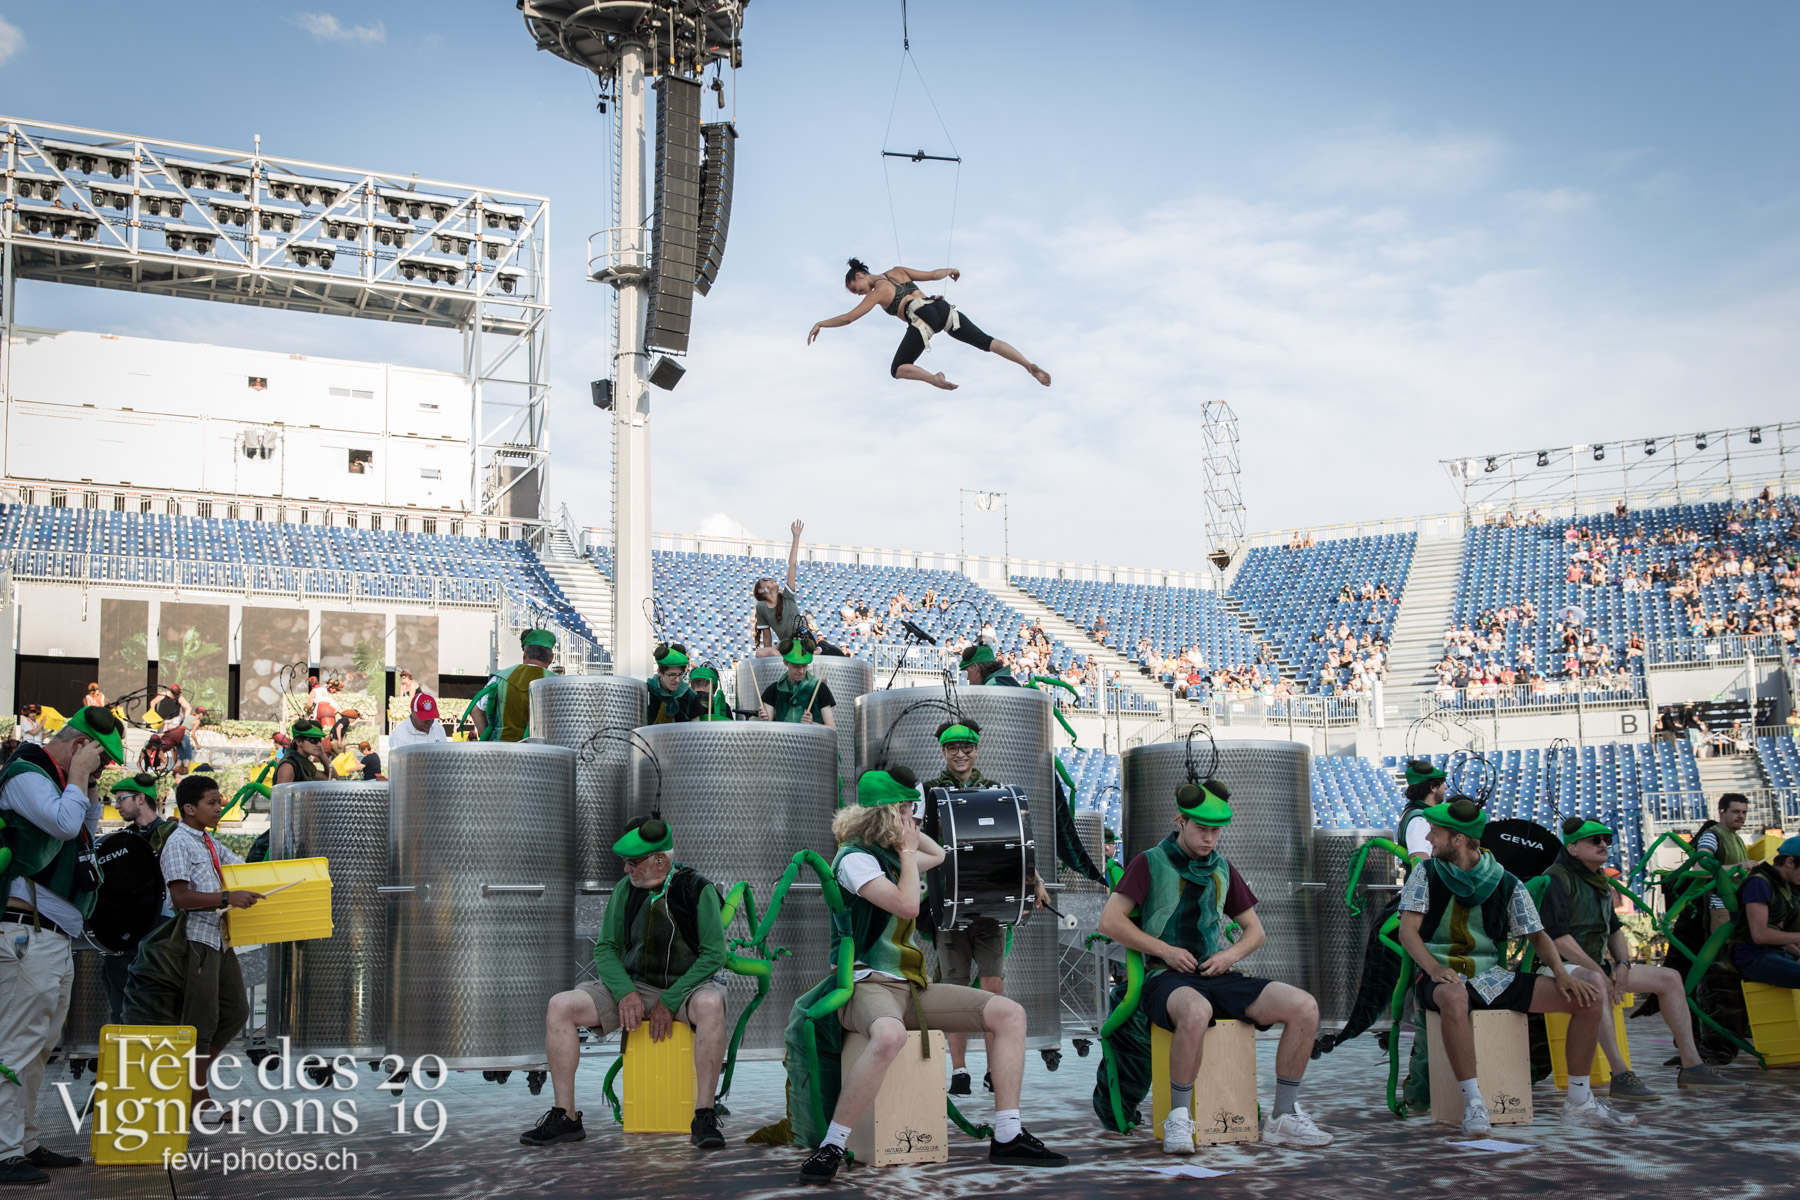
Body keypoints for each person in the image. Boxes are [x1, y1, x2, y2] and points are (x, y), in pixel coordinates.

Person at [794, 768, 1068, 1183]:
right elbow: (907, 906)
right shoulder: (854, 860)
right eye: (909, 814)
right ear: (888, 815)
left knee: (1009, 1014)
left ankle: (1008, 1134)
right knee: (889, 1036)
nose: (915, 823)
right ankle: (833, 1144)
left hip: (909, 987)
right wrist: (905, 849)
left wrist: (907, 832)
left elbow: (938, 855)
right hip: (865, 985)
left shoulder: (887, 854)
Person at [1098, 779, 1335, 1151]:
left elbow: (1255, 932)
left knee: (1304, 1006)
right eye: (1202, 829)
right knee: (1196, 1010)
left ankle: (1283, 1117)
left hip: (1215, 973)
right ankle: (1178, 1118)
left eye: (1216, 831)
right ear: (1181, 821)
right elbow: (1110, 921)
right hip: (1164, 977)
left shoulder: (1223, 867)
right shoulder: (1149, 861)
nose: (1209, 838)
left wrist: (1229, 955)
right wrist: (1166, 950)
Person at [1395, 796, 1635, 1135]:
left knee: (1590, 998)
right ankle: (1474, 1102)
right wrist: (1433, 969)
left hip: (1490, 977)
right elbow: (1408, 932)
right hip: (1441, 975)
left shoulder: (1504, 880)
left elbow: (1538, 936)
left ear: (1458, 840)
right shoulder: (1426, 872)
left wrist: (1563, 975)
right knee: (1454, 995)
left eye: (1434, 833)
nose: (1428, 839)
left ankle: (1579, 1101)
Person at [522, 815, 731, 1151]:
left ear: (660, 860)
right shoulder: (625, 890)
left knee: (711, 1005)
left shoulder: (698, 888)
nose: (626, 871)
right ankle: (566, 1116)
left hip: (688, 987)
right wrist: (625, 993)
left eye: (633, 863)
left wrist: (671, 1000)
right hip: (634, 985)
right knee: (561, 1005)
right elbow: (606, 948)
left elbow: (712, 956)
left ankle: (703, 1115)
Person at [0, 705, 123, 1184]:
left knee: (39, 1046)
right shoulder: (29, 774)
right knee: (17, 1044)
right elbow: (65, 826)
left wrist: (86, 786)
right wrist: (76, 773)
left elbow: (85, 826)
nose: (100, 770)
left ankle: (24, 1142)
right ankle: (5, 1150)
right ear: (77, 746)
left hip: (51, 939)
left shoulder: (60, 781)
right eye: (98, 760)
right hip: (27, 935)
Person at [1540, 816, 1737, 1099]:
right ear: (1572, 848)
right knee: (1597, 980)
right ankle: (1620, 1074)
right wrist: (1601, 971)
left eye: (1607, 839)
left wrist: (1623, 965)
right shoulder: (1556, 877)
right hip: (1556, 967)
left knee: (1670, 977)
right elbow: (1558, 938)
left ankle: (1692, 1067)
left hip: (1593, 965)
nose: (1604, 844)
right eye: (1595, 840)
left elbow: (1615, 931)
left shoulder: (1598, 879)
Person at [921, 720, 1050, 1095]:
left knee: (993, 987)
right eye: (952, 749)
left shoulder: (995, 790)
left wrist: (1035, 881)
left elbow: (1016, 842)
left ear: (977, 749)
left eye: (966, 747)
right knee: (955, 991)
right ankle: (959, 1071)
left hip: (991, 904)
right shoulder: (930, 791)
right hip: (948, 904)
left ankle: (995, 1069)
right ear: (943, 752)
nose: (960, 754)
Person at [151, 774, 262, 1113]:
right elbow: (180, 897)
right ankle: (197, 1098)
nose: (219, 808)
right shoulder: (179, 842)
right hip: (196, 939)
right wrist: (227, 896)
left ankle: (190, 1081)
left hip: (218, 939)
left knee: (236, 1011)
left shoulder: (208, 842)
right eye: (212, 803)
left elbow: (244, 869)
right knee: (202, 1021)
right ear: (188, 808)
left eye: (219, 801)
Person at [810, 259, 1051, 391]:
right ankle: (1027, 365)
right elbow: (934, 275)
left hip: (923, 318)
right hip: (942, 307)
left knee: (897, 369)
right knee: (985, 341)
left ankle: (934, 379)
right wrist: (951, 270)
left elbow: (850, 317)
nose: (858, 294)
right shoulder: (897, 270)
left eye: (855, 289)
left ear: (860, 275)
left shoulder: (877, 291)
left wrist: (822, 322)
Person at [97, 773, 175, 1024]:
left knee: (154, 1005)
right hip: (125, 930)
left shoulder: (172, 833)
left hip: (158, 928)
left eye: (121, 799)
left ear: (141, 798)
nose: (116, 806)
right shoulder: (122, 839)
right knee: (119, 1003)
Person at [1728, 836, 1800, 989]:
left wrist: (1797, 953)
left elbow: (1778, 933)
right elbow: (1760, 935)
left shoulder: (1784, 885)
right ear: (1790, 862)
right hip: (1753, 957)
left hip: (1775, 952)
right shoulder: (1759, 883)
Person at [470, 629, 556, 741]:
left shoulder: (500, 678)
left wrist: (490, 741)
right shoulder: (558, 683)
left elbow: (476, 710)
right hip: (542, 755)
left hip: (502, 753)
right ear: (551, 658)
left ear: (525, 653)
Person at [753, 520, 806, 658]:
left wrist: (796, 537)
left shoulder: (787, 595)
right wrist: (768, 655)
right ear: (761, 590)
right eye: (765, 580)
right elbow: (767, 637)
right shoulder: (761, 607)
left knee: (771, 651)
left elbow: (792, 564)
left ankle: (815, 651)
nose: (771, 579)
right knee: (761, 653)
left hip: (801, 640)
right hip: (786, 644)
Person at [758, 638, 835, 728]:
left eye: (804, 666)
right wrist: (764, 719)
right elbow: (767, 726)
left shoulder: (819, 688)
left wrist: (812, 724)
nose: (801, 671)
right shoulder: (773, 689)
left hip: (812, 741)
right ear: (785, 662)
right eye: (796, 666)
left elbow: (831, 728)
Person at [1397, 760, 1447, 859]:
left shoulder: (1416, 813)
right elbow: (1419, 857)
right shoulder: (1420, 820)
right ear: (1433, 787)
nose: (1445, 787)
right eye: (1442, 784)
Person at [646, 644, 704, 725]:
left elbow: (696, 728)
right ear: (659, 671)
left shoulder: (689, 695)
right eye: (672, 675)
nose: (677, 680)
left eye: (680, 674)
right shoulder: (646, 692)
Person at [272, 719, 334, 786]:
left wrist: (322, 755)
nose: (319, 744)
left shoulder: (303, 763)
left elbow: (333, 780)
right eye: (313, 740)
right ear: (299, 742)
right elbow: (282, 795)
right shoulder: (289, 766)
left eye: (319, 740)